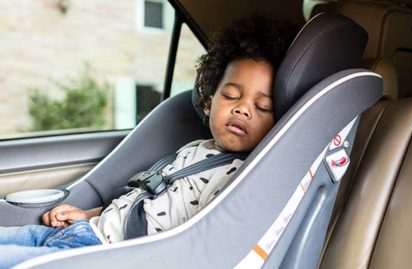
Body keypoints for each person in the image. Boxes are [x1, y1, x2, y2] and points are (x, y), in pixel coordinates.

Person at [0, 16, 297, 268]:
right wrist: (88, 214)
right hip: (82, 231)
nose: (242, 108)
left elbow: (193, 242)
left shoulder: (241, 177)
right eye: (231, 95)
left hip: (100, 253)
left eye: (262, 107)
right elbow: (145, 201)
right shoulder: (194, 150)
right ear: (208, 104)